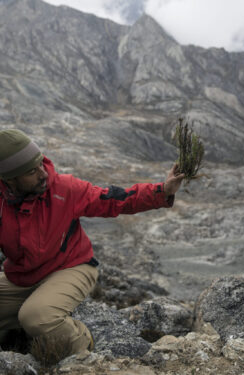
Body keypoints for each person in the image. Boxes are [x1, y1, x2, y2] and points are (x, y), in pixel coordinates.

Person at [0, 129, 184, 356]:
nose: (42, 174)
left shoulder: (63, 189)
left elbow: (115, 200)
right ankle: (14, 340)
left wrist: (161, 191)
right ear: (9, 179)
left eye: (40, 164)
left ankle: (84, 347)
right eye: (31, 172)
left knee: (36, 317)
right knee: (28, 315)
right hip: (23, 276)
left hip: (71, 267)